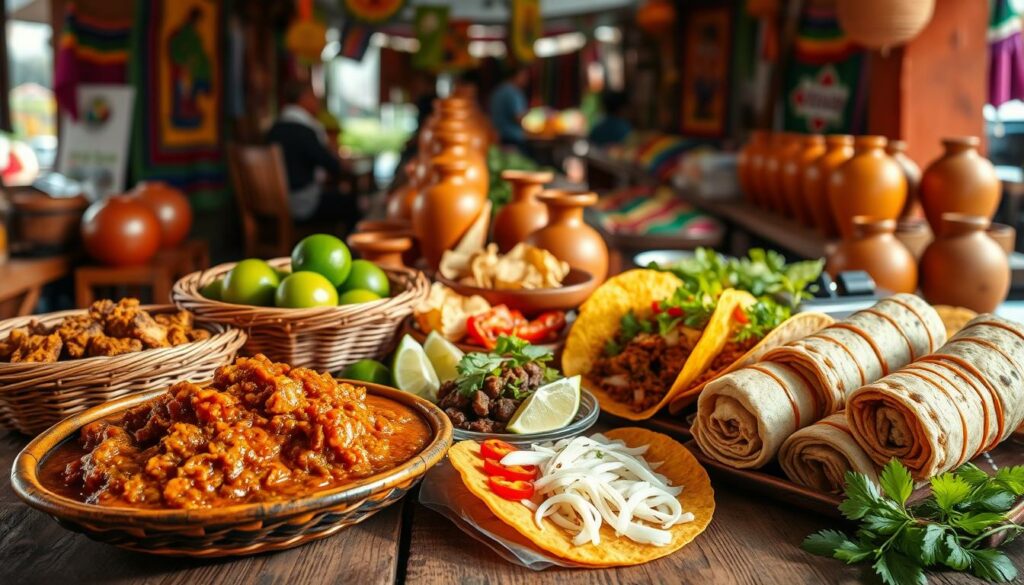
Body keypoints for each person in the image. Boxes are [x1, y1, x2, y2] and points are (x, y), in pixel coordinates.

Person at [266, 82, 352, 224]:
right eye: (313, 96)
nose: (317, 101)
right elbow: (333, 166)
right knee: (349, 203)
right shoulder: (305, 131)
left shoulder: (273, 130)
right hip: (300, 206)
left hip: (271, 205)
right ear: (304, 98)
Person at [488, 65, 530, 149]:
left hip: (498, 136)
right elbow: (518, 117)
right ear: (516, 76)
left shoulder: (499, 90)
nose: (526, 79)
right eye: (524, 76)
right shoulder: (513, 92)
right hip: (512, 138)